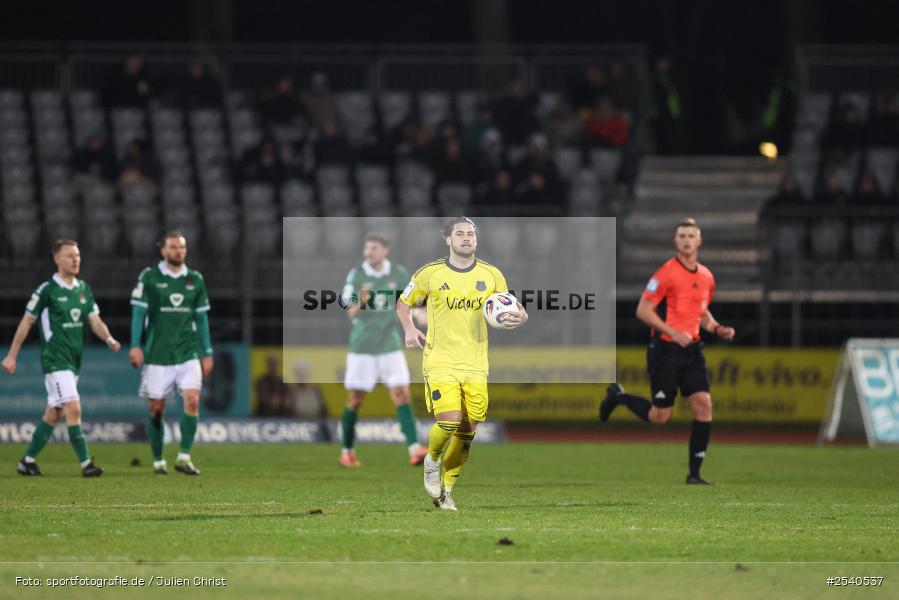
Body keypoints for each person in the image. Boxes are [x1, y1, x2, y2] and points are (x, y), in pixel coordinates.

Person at [397, 217, 527, 510]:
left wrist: (522, 316)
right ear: (448, 239)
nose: (466, 238)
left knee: (467, 432)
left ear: (476, 240)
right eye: (460, 234)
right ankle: (432, 460)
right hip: (440, 360)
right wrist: (409, 328)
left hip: (476, 364)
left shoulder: (492, 275)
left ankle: (446, 490)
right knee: (448, 421)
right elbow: (403, 303)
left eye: (471, 233)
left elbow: (510, 306)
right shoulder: (429, 273)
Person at [598, 219, 734, 485]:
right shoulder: (666, 273)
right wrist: (673, 332)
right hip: (665, 350)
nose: (686, 240)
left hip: (692, 349)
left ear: (699, 241)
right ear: (675, 241)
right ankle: (618, 397)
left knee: (703, 404)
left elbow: (700, 311)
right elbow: (643, 310)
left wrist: (717, 328)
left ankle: (694, 474)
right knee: (661, 416)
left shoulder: (706, 277)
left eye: (690, 236)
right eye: (681, 236)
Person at [2, 240, 121, 477]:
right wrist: (12, 355)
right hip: (55, 360)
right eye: (69, 255)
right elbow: (27, 322)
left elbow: (95, 320)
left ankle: (27, 462)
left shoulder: (83, 289)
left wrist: (108, 338)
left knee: (54, 413)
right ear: (57, 259)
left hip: (73, 361)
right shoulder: (47, 290)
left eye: (77, 255)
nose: (75, 259)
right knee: (73, 408)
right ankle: (86, 465)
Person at [129, 231, 213, 476]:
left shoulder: (195, 279)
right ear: (163, 250)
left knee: (192, 399)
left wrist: (207, 352)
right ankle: (158, 460)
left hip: (187, 351)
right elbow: (138, 313)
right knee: (157, 409)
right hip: (158, 353)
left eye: (182, 247)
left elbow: (201, 318)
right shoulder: (150, 277)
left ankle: (184, 457)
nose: (178, 251)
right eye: (173, 247)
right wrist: (135, 345)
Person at [339, 233, 426, 467]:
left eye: (374, 248)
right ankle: (347, 451)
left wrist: (421, 315)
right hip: (363, 346)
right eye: (367, 248)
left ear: (385, 251)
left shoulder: (398, 273)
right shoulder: (357, 275)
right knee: (355, 400)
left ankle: (415, 449)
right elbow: (350, 313)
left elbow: (409, 303)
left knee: (402, 394)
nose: (369, 252)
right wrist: (361, 301)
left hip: (390, 344)